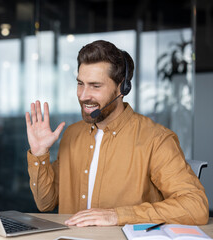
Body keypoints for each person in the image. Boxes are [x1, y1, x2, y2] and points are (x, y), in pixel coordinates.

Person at [25, 40, 209, 227]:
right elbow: (45, 203)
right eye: (80, 83)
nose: (83, 95)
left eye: (95, 86)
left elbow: (195, 207)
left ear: (122, 88)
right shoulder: (72, 135)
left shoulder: (156, 139)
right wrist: (40, 154)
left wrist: (118, 215)